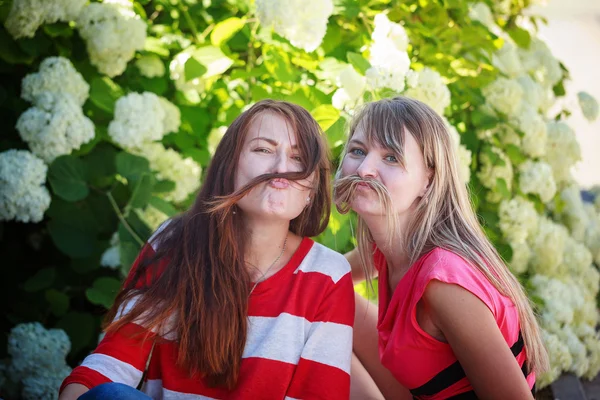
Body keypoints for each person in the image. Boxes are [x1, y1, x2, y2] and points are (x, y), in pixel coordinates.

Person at [59, 100, 355, 400]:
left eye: (298, 157)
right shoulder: (176, 243)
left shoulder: (327, 275)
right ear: (229, 167)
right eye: (263, 150)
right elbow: (113, 362)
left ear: (312, 190)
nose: (281, 168)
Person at [334, 96, 549, 400]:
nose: (365, 169)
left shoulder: (443, 283)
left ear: (428, 180)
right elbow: (329, 274)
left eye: (391, 157)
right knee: (328, 293)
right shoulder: (387, 247)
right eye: (358, 150)